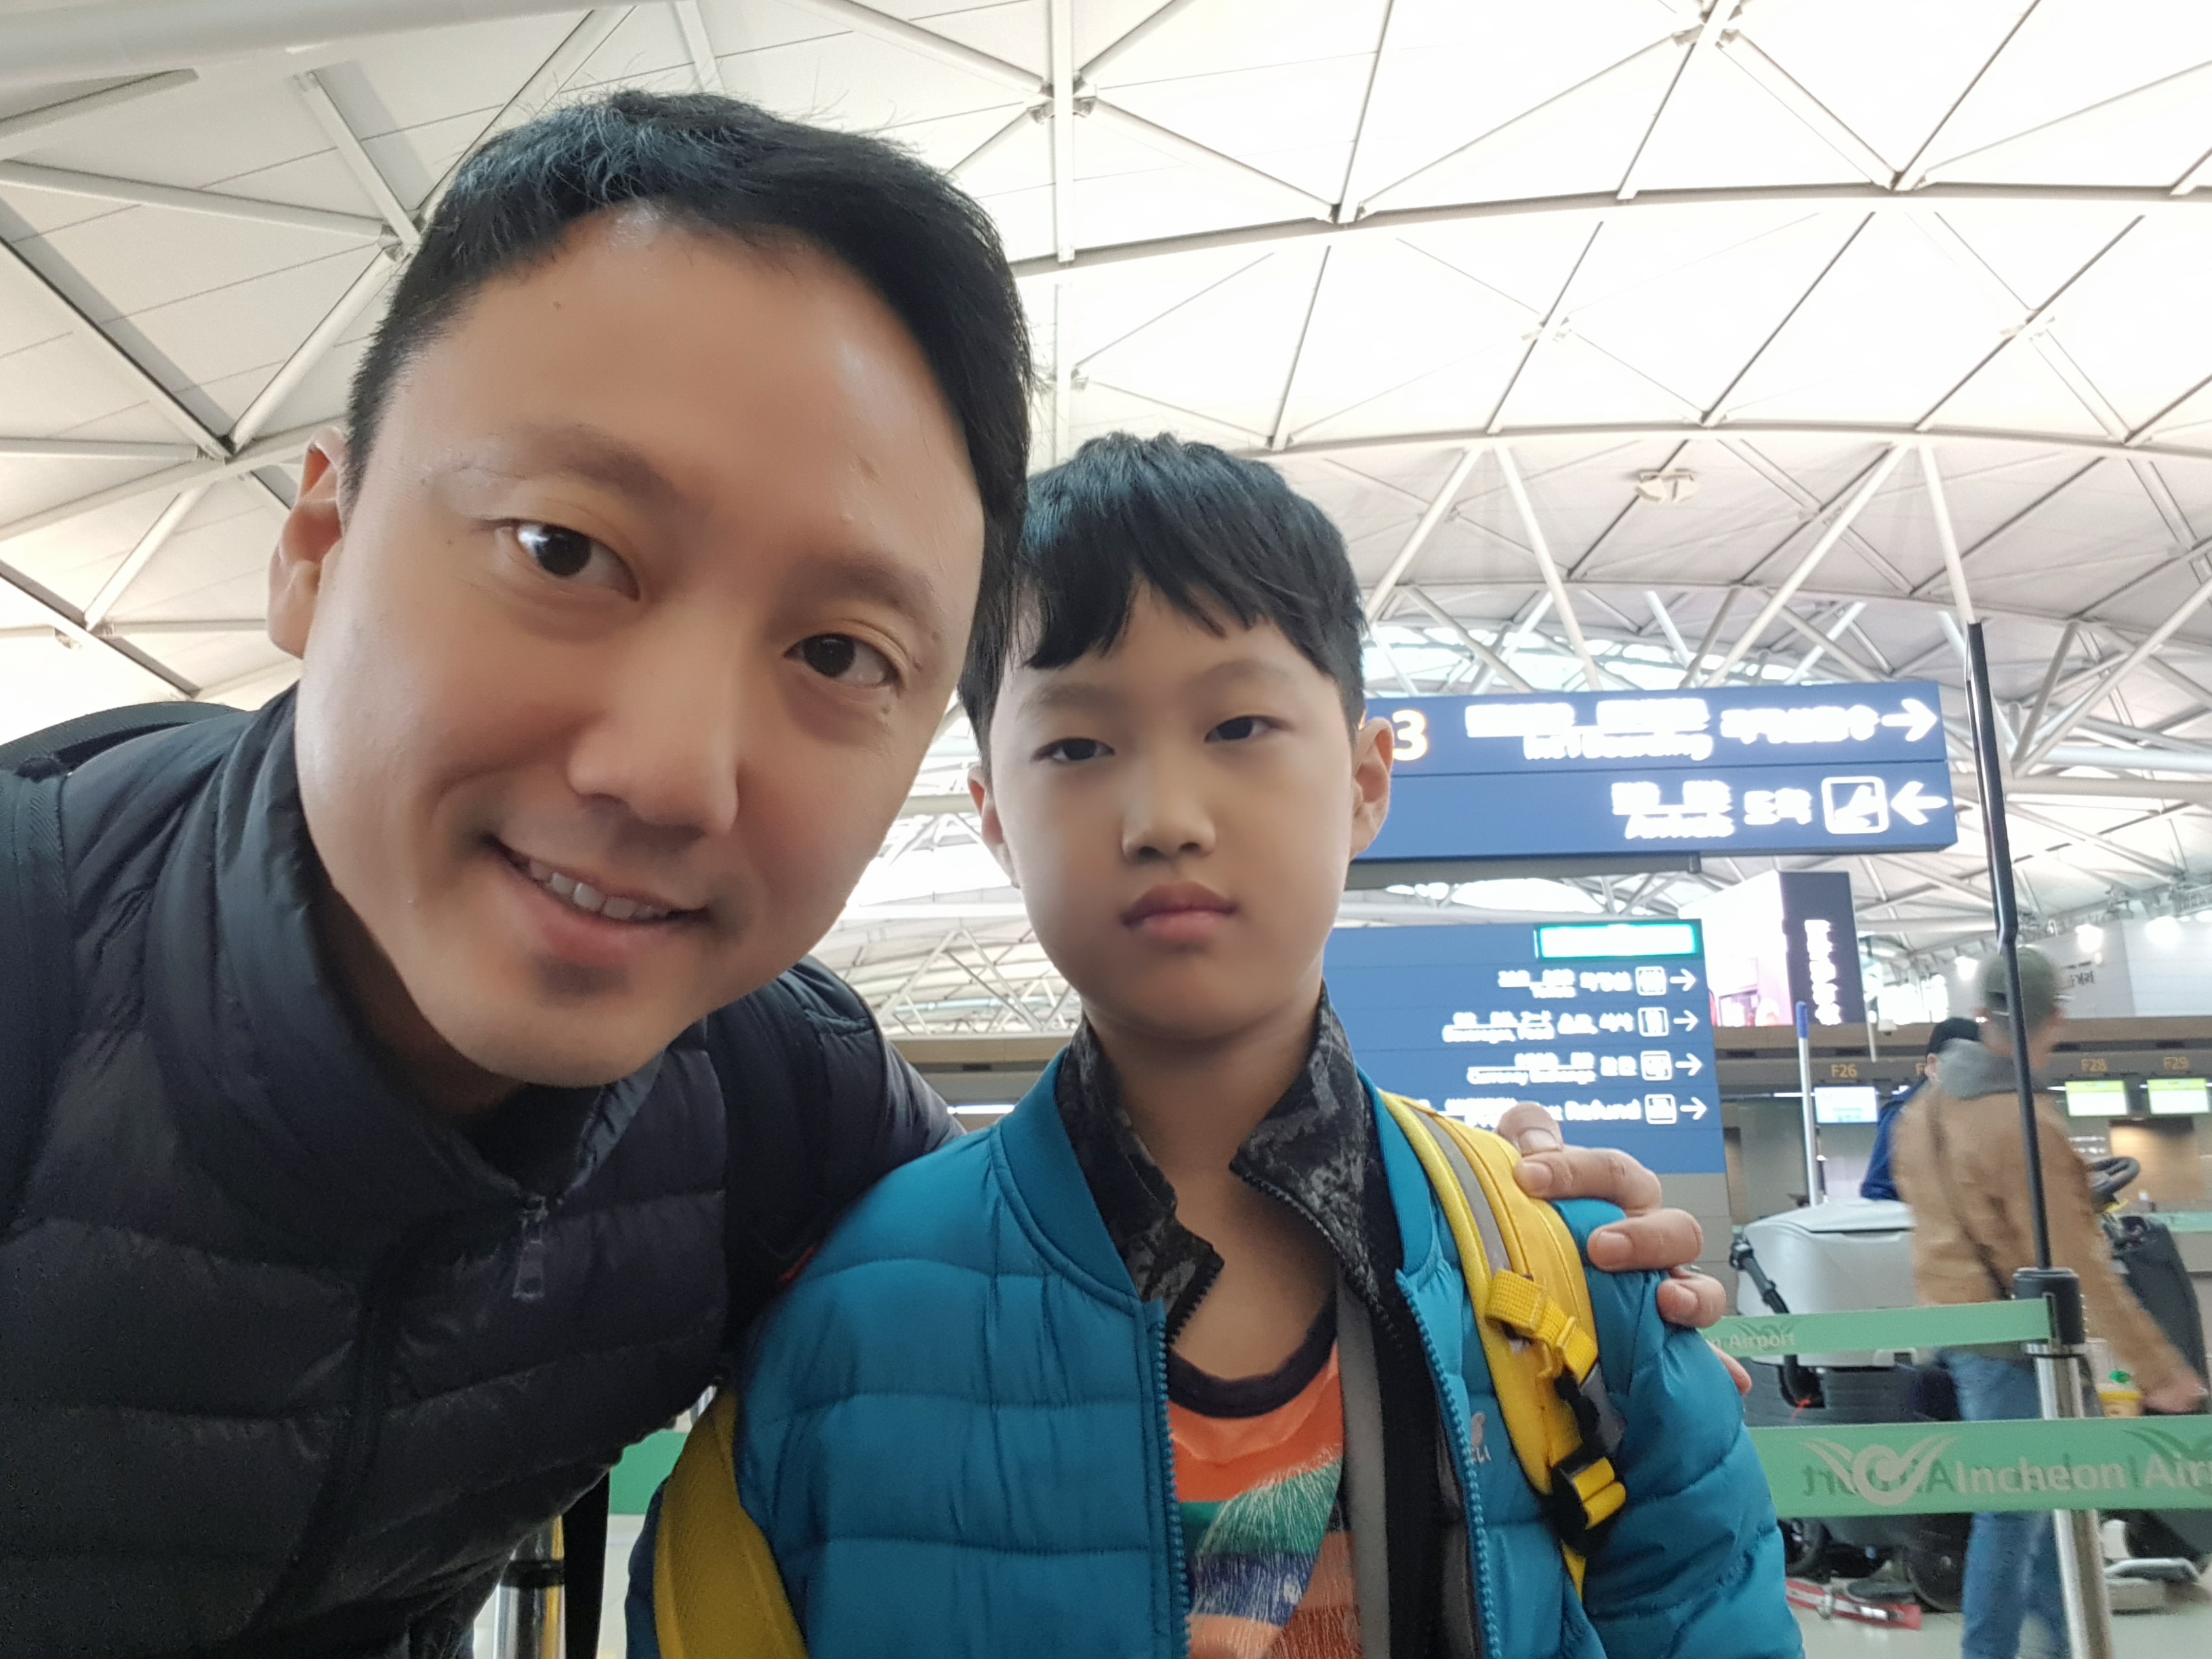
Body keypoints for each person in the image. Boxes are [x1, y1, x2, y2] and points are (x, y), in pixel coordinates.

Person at [0, 96, 1721, 1658]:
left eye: (835, 650)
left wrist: (1539, 1224)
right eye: (564, 549)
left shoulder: (783, 1114)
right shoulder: (37, 954)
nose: (671, 771)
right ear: (316, 543)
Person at [636, 435, 1798, 1659]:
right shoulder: (844, 1322)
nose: (1165, 818)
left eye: (1239, 725)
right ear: (992, 815)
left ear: (1365, 781)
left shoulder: (1568, 1282)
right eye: (1076, 747)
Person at [1893, 949, 2207, 1659]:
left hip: (1959, 1328)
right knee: (2017, 1509)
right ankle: (1990, 1652)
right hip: (2018, 1339)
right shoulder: (2022, 1122)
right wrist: (2160, 1371)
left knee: (2040, 1504)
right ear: (2056, 1018)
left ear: (1983, 1013)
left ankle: (2062, 1648)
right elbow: (2075, 1262)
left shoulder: (1926, 1109)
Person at [1858, 1016, 1978, 1202]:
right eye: (1965, 1066)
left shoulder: (1981, 1110)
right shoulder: (1903, 1115)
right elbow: (1878, 1190)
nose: (1975, 1075)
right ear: (1933, 1064)